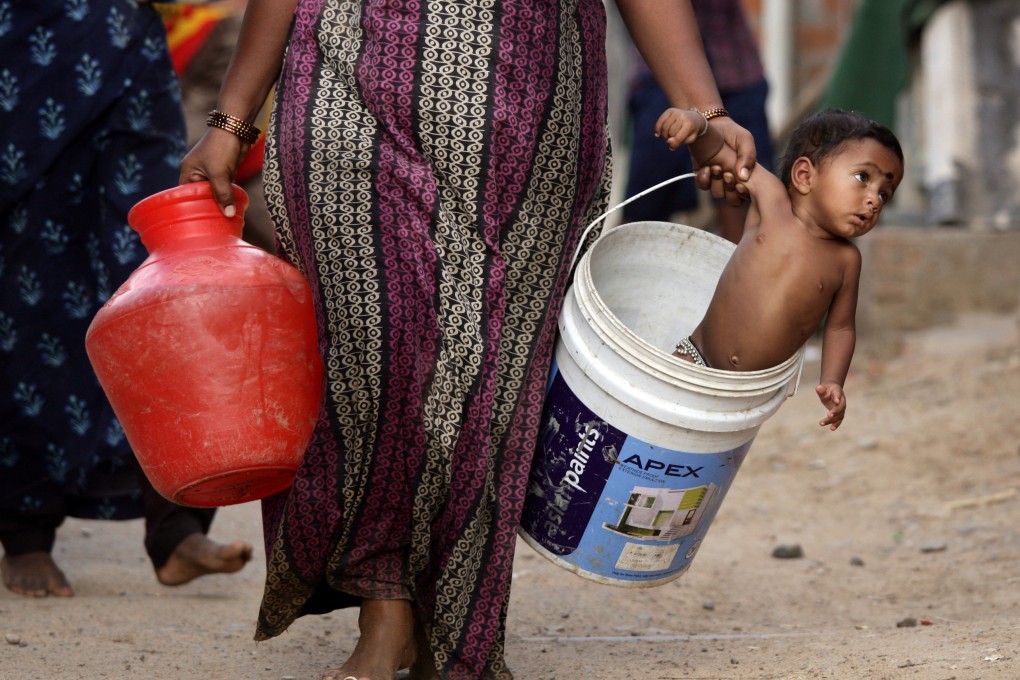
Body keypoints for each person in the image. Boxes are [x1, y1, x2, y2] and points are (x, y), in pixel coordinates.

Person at [179, 2, 757, 678]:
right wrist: (233, 119)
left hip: (530, 108)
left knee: (490, 372)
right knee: (374, 353)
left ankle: (453, 624)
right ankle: (384, 604)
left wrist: (706, 113)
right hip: (346, 83)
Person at [0, 0, 252, 598]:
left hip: (129, 46)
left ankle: (176, 524)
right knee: (29, 284)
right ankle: (25, 530)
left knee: (157, 269)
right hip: (21, 49)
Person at [658, 108, 904, 431]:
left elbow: (840, 328)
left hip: (749, 396)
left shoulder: (846, 261)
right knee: (652, 425)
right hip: (696, 358)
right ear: (805, 176)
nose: (874, 200)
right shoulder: (771, 201)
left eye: (884, 194)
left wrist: (833, 380)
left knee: (704, 464)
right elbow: (720, 153)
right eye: (863, 178)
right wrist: (699, 127)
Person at [623, 0, 774, 244]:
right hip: (661, 74)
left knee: (744, 203)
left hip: (734, 68)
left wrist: (710, 113)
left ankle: (743, 279)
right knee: (644, 210)